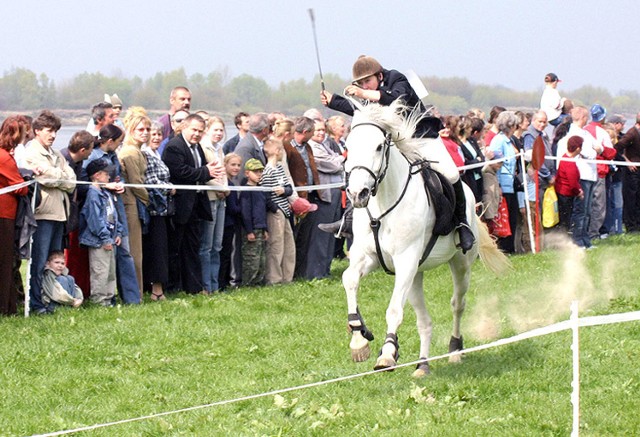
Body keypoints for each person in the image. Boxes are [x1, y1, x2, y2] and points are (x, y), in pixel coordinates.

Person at [320, 55, 474, 251]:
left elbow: (393, 99)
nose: (365, 86)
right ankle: (349, 219)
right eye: (361, 83)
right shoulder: (368, 94)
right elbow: (357, 109)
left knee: (451, 173)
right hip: (397, 143)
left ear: (380, 75)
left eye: (368, 81)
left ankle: (462, 224)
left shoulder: (397, 79)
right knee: (367, 171)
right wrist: (333, 100)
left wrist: (362, 93)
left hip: (422, 138)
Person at [23, 110, 77, 314]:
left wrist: (58, 176)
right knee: (39, 262)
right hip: (42, 214)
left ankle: (52, 300)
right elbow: (45, 179)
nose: (53, 135)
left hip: (59, 214)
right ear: (37, 131)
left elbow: (71, 182)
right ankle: (36, 303)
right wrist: (60, 177)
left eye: (55, 131)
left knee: (55, 263)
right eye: (49, 131)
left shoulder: (55, 154)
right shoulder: (32, 152)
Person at [162, 113, 222, 294]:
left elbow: (199, 171)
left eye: (200, 131)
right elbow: (181, 172)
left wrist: (207, 173)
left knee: (192, 247)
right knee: (175, 248)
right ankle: (173, 287)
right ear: (184, 128)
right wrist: (206, 172)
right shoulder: (174, 146)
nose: (196, 134)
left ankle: (194, 287)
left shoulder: (198, 148)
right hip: (180, 205)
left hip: (195, 204)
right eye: (194, 130)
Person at [83, 124, 140, 304]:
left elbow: (117, 176)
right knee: (103, 266)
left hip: (115, 210)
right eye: (118, 142)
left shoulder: (114, 156)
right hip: (102, 215)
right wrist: (105, 186)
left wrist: (119, 183)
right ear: (109, 141)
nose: (120, 145)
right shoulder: (93, 157)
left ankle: (130, 298)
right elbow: (84, 182)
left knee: (124, 254)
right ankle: (103, 299)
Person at [557, 107, 602, 248]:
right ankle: (578, 240)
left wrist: (596, 150)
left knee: (587, 211)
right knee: (580, 211)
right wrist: (595, 151)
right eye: (586, 117)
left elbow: (598, 147)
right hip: (581, 175)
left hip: (590, 175)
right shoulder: (574, 135)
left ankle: (585, 239)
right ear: (582, 118)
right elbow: (590, 153)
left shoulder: (586, 133)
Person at [80, 158, 123, 306]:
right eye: (106, 174)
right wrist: (105, 238)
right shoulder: (93, 194)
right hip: (99, 241)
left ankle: (109, 298)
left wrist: (118, 232)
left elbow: (113, 214)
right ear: (97, 175)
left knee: (110, 272)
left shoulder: (106, 193)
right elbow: (95, 221)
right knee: (100, 271)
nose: (109, 177)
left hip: (110, 238)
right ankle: (99, 300)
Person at [0, 115, 31, 316]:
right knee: (5, 261)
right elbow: (18, 186)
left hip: (7, 213)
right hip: (4, 215)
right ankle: (4, 307)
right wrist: (27, 182)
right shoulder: (4, 157)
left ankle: (10, 304)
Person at [118, 112, 150, 300]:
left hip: (136, 203)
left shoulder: (137, 151)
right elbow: (136, 182)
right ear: (131, 130)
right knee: (134, 253)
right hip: (131, 205)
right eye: (140, 129)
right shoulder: (129, 152)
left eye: (147, 129)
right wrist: (150, 199)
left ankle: (136, 293)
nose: (145, 133)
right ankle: (134, 294)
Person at [60, 131, 95, 298]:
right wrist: (95, 187)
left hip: (70, 212)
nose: (91, 153)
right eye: (90, 149)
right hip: (60, 213)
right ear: (83, 150)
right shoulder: (63, 160)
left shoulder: (78, 162)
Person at [141, 122, 174, 301]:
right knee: (156, 249)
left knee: (162, 249)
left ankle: (158, 288)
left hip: (163, 210)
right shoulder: (146, 154)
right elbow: (151, 181)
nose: (156, 137)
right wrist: (169, 188)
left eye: (158, 134)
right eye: (152, 134)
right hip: (154, 209)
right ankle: (155, 290)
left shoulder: (157, 154)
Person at [261, 137, 296, 284]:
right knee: (276, 246)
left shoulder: (280, 168)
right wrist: (275, 208)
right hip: (276, 212)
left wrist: (284, 191)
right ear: (276, 151)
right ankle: (274, 278)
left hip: (285, 211)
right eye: (280, 149)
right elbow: (266, 194)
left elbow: (288, 188)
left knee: (289, 246)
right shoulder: (267, 172)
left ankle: (287, 277)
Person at [199, 116, 227, 294]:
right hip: (210, 198)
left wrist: (226, 189)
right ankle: (206, 285)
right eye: (215, 129)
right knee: (206, 246)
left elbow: (223, 173)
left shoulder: (220, 149)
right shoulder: (203, 147)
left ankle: (215, 285)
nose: (218, 133)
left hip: (222, 199)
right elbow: (205, 175)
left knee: (217, 245)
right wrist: (220, 188)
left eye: (221, 130)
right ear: (207, 130)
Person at [488, 111, 519, 253]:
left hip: (510, 183)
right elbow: (495, 164)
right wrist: (498, 185)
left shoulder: (509, 140)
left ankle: (510, 247)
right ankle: (504, 248)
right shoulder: (499, 141)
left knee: (512, 217)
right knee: (504, 218)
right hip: (503, 185)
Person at [585, 104, 616, 240]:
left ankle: (585, 231)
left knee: (586, 203)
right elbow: (610, 153)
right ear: (603, 117)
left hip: (584, 171)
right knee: (599, 204)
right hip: (599, 171)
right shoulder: (602, 132)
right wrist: (603, 150)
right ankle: (594, 233)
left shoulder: (584, 130)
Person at [240, 158, 269, 286]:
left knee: (261, 259)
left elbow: (263, 211)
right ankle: (248, 283)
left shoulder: (260, 189)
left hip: (260, 228)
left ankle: (258, 282)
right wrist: (249, 230)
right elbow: (245, 212)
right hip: (251, 230)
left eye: (260, 172)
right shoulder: (246, 191)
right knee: (251, 259)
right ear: (247, 173)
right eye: (255, 171)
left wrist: (265, 229)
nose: (258, 174)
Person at [219, 153, 243, 290]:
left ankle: (225, 281)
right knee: (224, 254)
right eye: (233, 165)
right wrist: (243, 208)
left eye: (238, 165)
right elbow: (232, 208)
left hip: (231, 223)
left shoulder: (232, 183)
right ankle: (221, 283)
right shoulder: (227, 184)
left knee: (227, 253)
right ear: (225, 165)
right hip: (226, 223)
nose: (236, 168)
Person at [614, 112, 640, 233]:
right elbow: (618, 147)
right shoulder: (632, 133)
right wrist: (627, 161)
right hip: (632, 171)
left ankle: (637, 224)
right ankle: (631, 226)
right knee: (631, 198)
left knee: (638, 198)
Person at [555, 136, 584, 234]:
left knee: (564, 219)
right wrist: (579, 192)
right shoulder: (569, 163)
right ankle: (564, 239)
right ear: (578, 148)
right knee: (565, 220)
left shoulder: (565, 157)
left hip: (563, 193)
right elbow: (572, 183)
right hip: (566, 195)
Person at [233, 112, 271, 184]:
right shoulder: (246, 148)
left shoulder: (258, 143)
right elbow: (243, 175)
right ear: (264, 130)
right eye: (269, 126)